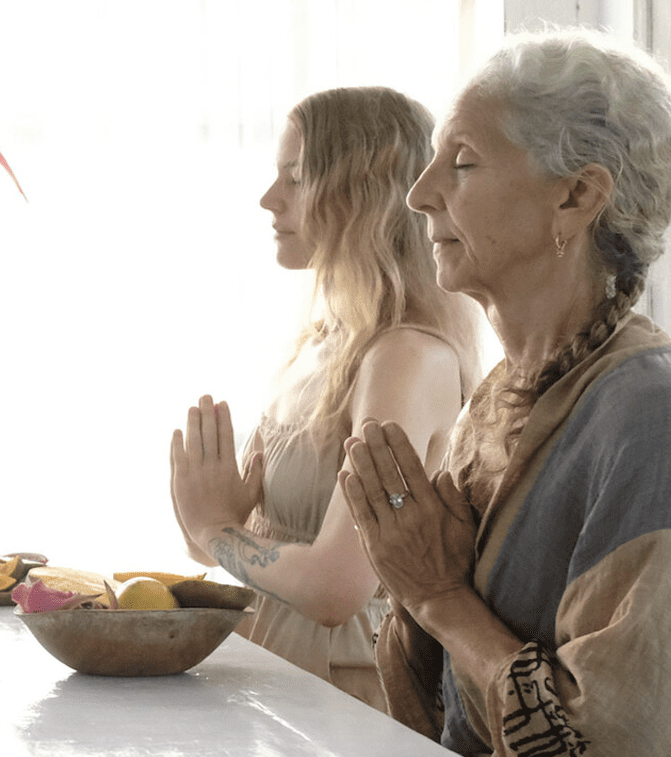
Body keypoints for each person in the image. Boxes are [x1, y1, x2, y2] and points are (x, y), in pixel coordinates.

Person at [339, 28, 671, 757]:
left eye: (464, 163)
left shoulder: (656, 415)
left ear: (576, 197)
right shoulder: (501, 398)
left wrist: (439, 599)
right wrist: (414, 580)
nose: (420, 195)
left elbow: (612, 742)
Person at [170, 86, 482, 712]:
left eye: (297, 176)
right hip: (270, 670)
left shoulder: (407, 357)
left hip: (342, 697)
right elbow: (227, 543)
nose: (269, 199)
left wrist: (214, 528)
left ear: (362, 193)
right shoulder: (320, 344)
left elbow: (337, 586)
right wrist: (217, 529)